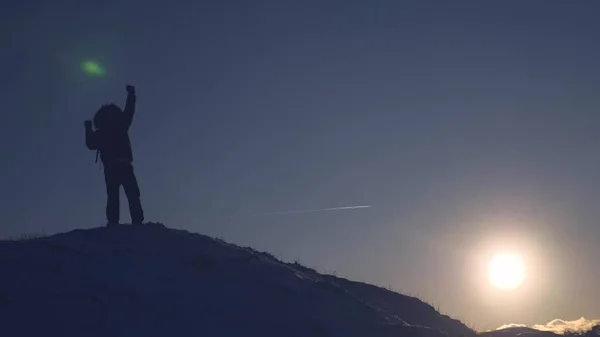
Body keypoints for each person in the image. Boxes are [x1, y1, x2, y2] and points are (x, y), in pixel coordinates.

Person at [84, 85, 144, 226]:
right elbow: (129, 110)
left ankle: (114, 222)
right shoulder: (121, 124)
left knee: (115, 196)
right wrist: (131, 94)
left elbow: (90, 144)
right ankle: (134, 221)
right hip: (122, 165)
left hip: (113, 167)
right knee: (130, 194)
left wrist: (87, 129)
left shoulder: (105, 131)